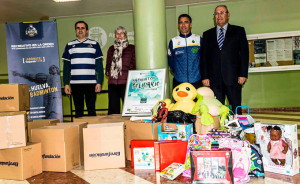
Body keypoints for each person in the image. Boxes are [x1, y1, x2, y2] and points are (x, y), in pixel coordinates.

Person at [201, 5, 249, 114]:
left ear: (228, 15)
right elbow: (203, 57)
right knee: (216, 109)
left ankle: (237, 128)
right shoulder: (207, 34)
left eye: (222, 12)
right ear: (214, 17)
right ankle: (219, 129)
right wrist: (205, 76)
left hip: (234, 77)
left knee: (236, 107)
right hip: (214, 79)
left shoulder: (238, 31)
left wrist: (243, 74)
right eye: (216, 13)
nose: (219, 16)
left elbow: (244, 54)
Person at [63, 21, 103, 117]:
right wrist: (66, 84)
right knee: (78, 112)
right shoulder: (69, 45)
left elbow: (99, 66)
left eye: (82, 28)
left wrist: (99, 82)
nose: (80, 30)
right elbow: (66, 67)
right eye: (78, 28)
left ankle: (92, 132)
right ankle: (79, 131)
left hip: (91, 83)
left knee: (91, 110)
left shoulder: (94, 44)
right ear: (76, 31)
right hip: (75, 84)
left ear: (87, 31)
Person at [105, 26, 135, 114]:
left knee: (128, 108)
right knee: (113, 109)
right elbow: (108, 64)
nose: (119, 35)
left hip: (127, 82)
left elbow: (134, 64)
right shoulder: (111, 49)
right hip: (113, 83)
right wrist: (108, 72)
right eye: (117, 34)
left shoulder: (131, 48)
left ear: (125, 35)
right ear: (115, 35)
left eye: (121, 33)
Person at [168, 14, 202, 90]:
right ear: (178, 25)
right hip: (179, 81)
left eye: (186, 22)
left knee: (197, 102)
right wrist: (179, 73)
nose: (183, 25)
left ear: (190, 24)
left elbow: (203, 59)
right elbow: (171, 62)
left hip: (196, 80)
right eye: (180, 22)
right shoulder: (173, 41)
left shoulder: (198, 39)